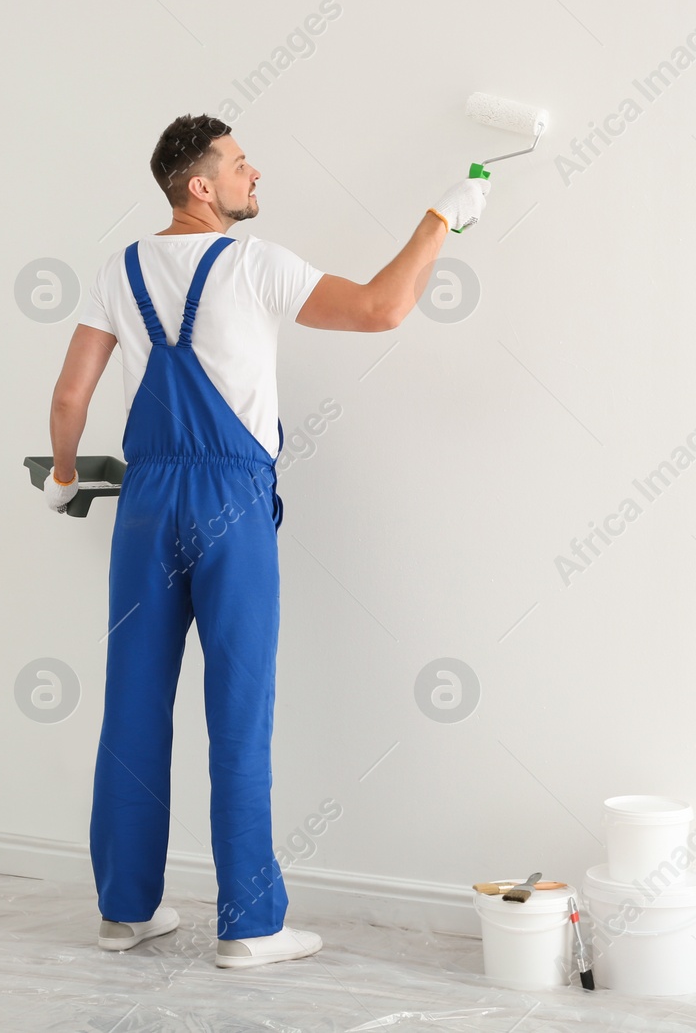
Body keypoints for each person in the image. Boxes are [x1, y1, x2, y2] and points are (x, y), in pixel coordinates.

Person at [45, 114, 489, 969]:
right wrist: (442, 217)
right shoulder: (255, 263)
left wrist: (65, 477)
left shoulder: (119, 268)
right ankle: (250, 924)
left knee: (132, 703)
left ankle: (124, 910)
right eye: (241, 165)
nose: (257, 175)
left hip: (143, 502)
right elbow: (382, 308)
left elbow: (70, 395)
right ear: (200, 185)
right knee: (238, 712)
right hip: (230, 501)